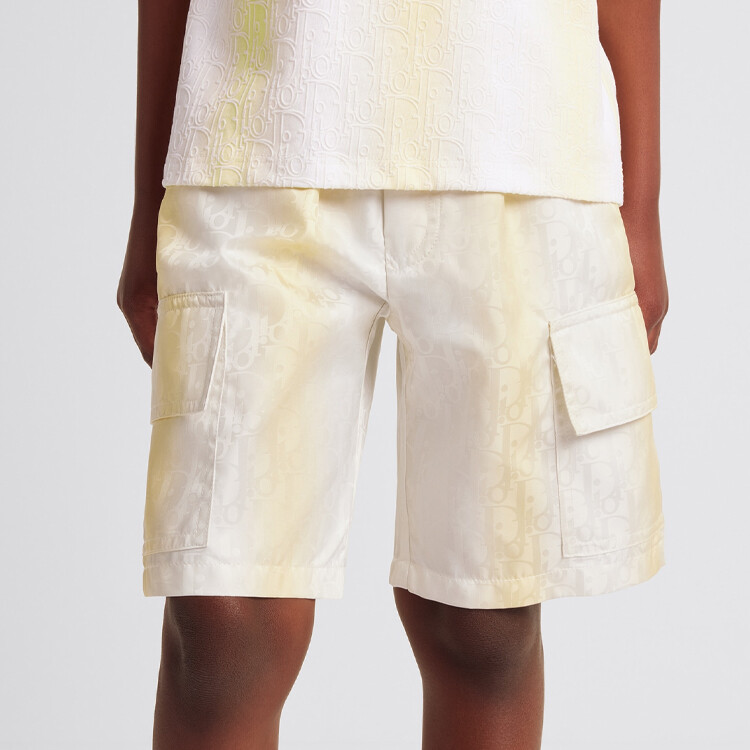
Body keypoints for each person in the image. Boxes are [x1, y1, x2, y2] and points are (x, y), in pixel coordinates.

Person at [117, 1, 668, 748]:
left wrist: (642, 208)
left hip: (521, 131)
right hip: (255, 132)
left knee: (485, 621)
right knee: (220, 625)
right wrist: (148, 194)